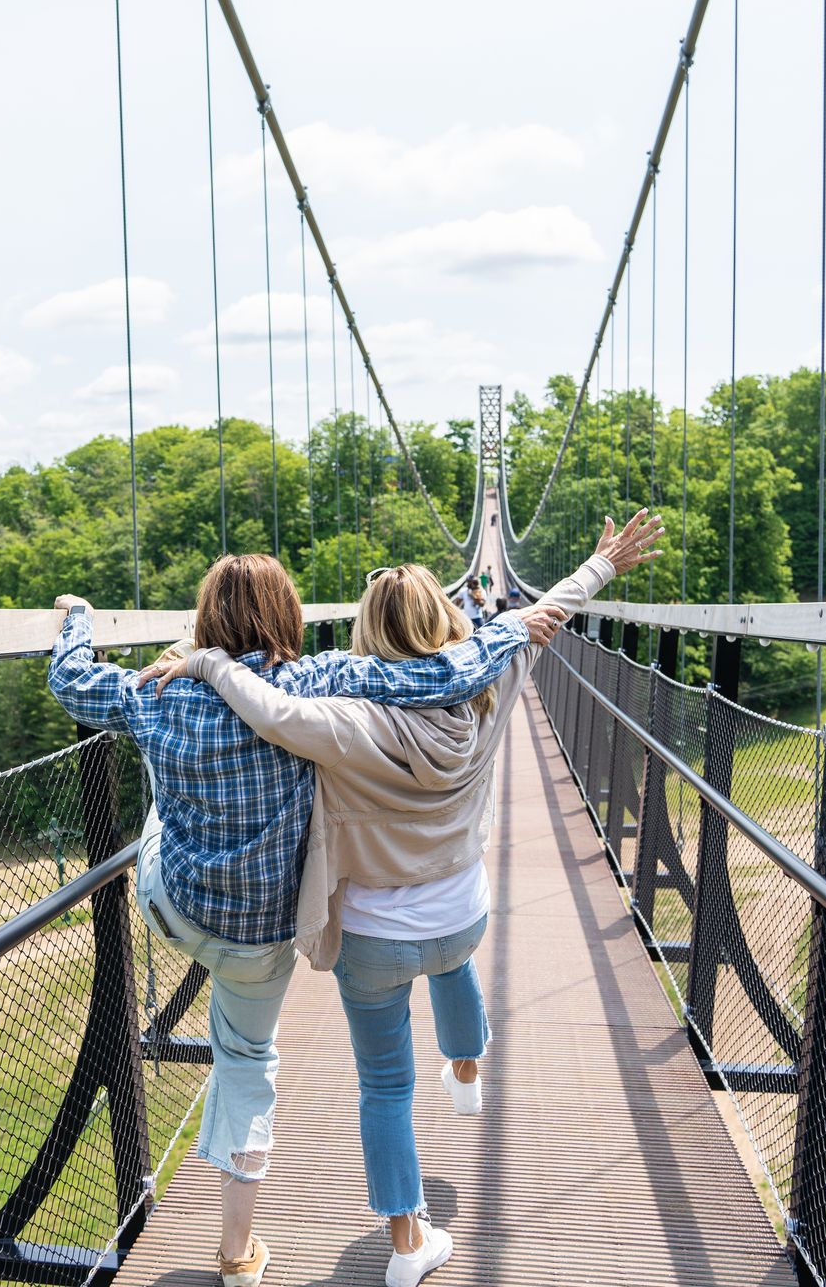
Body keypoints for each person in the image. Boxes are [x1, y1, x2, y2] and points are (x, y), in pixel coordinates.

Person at [140, 511, 664, 1287]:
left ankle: (408, 1245)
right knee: (452, 960)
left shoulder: (342, 721)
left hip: (372, 941)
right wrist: (600, 568)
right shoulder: (494, 683)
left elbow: (271, 711)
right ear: (449, 622)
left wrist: (210, 665)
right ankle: (466, 1066)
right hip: (461, 915)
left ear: (363, 635)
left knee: (384, 1086)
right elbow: (541, 616)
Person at [47, 554, 569, 1287]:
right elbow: (434, 674)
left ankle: (243, 1250)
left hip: (176, 906)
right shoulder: (318, 680)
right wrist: (511, 630)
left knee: (163, 813)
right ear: (288, 616)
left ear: (203, 623)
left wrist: (80, 621)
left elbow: (69, 683)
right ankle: (236, 1256)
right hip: (265, 930)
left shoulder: (149, 693)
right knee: (249, 1064)